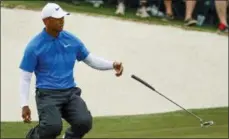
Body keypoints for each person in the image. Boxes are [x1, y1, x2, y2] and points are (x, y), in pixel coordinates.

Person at [19, 2, 124, 139]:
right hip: (47, 95)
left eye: (62, 17)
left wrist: (112, 65)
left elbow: (90, 59)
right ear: (46, 21)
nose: (62, 21)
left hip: (69, 93)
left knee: (84, 122)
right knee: (52, 127)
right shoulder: (34, 46)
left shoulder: (71, 40)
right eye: (57, 18)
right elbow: (25, 77)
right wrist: (24, 105)